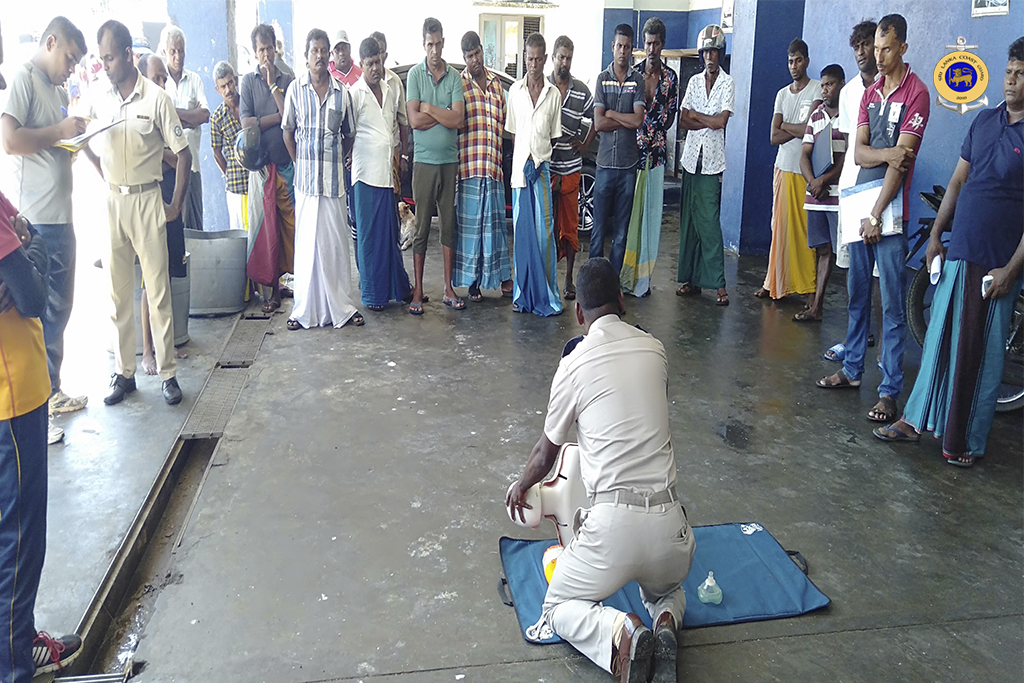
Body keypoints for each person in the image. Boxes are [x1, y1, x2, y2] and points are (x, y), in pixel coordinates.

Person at [506, 257, 694, 683]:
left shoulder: (574, 364)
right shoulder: (656, 350)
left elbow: (545, 453)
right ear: (623, 301)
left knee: (556, 608)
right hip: (669, 529)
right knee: (669, 591)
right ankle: (665, 622)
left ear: (578, 313)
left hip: (612, 529)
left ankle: (620, 634)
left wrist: (521, 485)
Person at [873, 38, 1023, 468]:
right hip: (960, 250)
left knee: (980, 354)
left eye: (1020, 73)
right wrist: (938, 235)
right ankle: (913, 420)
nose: (1011, 80)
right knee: (939, 341)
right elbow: (957, 182)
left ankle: (964, 443)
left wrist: (1012, 270)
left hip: (997, 261)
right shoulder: (983, 121)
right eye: (1009, 71)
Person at [816, 14, 930, 426]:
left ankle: (889, 392)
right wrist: (885, 155)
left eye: (886, 49)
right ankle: (851, 371)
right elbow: (862, 153)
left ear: (903, 47)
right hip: (858, 203)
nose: (879, 58)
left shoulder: (917, 94)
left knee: (894, 305)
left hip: (889, 212)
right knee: (857, 295)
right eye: (875, 49)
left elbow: (903, 166)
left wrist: (877, 214)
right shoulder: (869, 94)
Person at [83, 19, 189, 406]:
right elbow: (82, 140)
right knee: (117, 292)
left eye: (110, 57)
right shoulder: (99, 98)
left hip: (148, 200)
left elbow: (183, 155)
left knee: (157, 291)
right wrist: (103, 174)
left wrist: (174, 206)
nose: (106, 65)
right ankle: (125, 373)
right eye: (102, 59)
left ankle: (168, 374)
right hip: (113, 201)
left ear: (129, 55)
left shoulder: (156, 99)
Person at [0, 192, 84, 681]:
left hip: (16, 391)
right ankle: (14, 667)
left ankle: (21, 639)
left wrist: (28, 247)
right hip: (13, 397)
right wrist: (30, 249)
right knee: (18, 540)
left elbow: (30, 237)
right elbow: (32, 296)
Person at [0, 16, 89, 445]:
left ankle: (51, 390)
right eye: (69, 58)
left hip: (62, 214)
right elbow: (11, 141)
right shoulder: (21, 78)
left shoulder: (53, 91)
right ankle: (43, 399)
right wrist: (58, 132)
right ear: (51, 42)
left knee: (62, 307)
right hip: (35, 220)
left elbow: (48, 143)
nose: (71, 69)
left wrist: (68, 142)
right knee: (41, 310)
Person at [281, 28, 362, 331]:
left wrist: (337, 162)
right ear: (306, 57)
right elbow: (288, 133)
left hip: (332, 183)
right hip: (305, 184)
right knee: (305, 249)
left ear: (329, 56)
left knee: (335, 247)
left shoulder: (342, 92)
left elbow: (349, 135)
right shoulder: (294, 90)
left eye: (323, 50)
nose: (319, 55)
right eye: (314, 51)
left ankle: (341, 307)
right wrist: (299, 162)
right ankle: (303, 311)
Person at [824, 20, 881, 362]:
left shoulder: (897, 89)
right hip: (851, 188)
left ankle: (879, 345)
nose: (861, 53)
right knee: (853, 271)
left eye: (867, 46)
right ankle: (855, 339)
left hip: (881, 190)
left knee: (880, 276)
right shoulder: (848, 94)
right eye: (856, 47)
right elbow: (849, 146)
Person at [406, 17, 466, 315]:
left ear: (443, 42)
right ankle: (417, 290)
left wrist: (429, 108)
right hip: (424, 163)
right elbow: (414, 121)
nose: (434, 49)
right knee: (420, 227)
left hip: (449, 162)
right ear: (423, 44)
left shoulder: (454, 77)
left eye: (438, 43)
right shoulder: (415, 75)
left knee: (448, 226)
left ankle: (448, 288)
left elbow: (458, 120)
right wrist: (439, 113)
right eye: (429, 44)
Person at [349, 37, 412, 310]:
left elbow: (398, 127)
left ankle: (397, 288)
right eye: (369, 63)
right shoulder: (354, 94)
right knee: (369, 237)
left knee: (389, 235)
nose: (375, 68)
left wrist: (402, 157)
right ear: (361, 65)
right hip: (364, 176)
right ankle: (373, 296)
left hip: (387, 173)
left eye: (378, 62)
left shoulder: (390, 87)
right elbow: (347, 132)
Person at [756, 38, 821, 301]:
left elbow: (812, 130)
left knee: (806, 231)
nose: (793, 66)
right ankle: (774, 283)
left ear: (806, 61)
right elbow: (773, 136)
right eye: (790, 61)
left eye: (798, 60)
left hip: (807, 172)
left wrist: (791, 127)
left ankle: (806, 287)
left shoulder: (817, 90)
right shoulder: (782, 94)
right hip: (783, 168)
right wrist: (800, 128)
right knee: (779, 228)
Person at [137, 53, 189, 376]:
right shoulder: (139, 108)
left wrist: (175, 204)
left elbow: (180, 154)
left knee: (166, 275)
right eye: (155, 78)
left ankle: (166, 344)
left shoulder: (164, 105)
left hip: (170, 196)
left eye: (162, 79)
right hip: (147, 199)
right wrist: (166, 155)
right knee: (148, 279)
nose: (161, 83)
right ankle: (146, 349)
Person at [675, 24, 734, 307]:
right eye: (706, 52)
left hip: (711, 163)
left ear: (720, 54)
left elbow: (721, 121)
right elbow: (683, 121)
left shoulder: (728, 83)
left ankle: (719, 284)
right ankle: (691, 280)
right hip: (691, 160)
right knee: (689, 220)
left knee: (709, 222)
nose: (710, 57)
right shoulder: (694, 82)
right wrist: (703, 118)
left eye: (714, 51)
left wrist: (698, 117)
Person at [239, 23, 296, 314]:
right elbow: (246, 123)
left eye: (269, 48)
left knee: (290, 227)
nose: (265, 54)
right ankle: (271, 291)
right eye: (260, 49)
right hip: (261, 170)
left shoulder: (288, 78)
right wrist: (276, 117)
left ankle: (285, 282)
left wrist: (274, 86)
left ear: (276, 48)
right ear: (255, 51)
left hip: (287, 165)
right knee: (268, 231)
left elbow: (292, 116)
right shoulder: (247, 82)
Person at [506, 33, 563, 317]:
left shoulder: (553, 95)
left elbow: (552, 138)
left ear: (546, 59)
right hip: (520, 176)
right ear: (524, 58)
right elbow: (514, 135)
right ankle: (521, 294)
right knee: (522, 236)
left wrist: (537, 163)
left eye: (539, 59)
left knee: (544, 235)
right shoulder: (514, 92)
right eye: (530, 59)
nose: (534, 64)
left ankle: (548, 293)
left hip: (541, 173)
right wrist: (523, 164)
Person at [620, 17, 677, 298]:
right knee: (631, 218)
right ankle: (626, 277)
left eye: (656, 43)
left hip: (655, 158)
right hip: (633, 155)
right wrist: (638, 121)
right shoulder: (633, 75)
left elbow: (667, 120)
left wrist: (641, 120)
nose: (651, 48)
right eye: (647, 43)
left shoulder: (671, 79)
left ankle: (644, 280)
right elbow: (631, 113)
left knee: (652, 219)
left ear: (662, 45)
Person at [452, 30, 511, 302]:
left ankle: (498, 279)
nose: (474, 60)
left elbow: (505, 124)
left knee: (494, 229)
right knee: (471, 231)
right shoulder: (459, 85)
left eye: (477, 53)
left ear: (482, 51)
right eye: (468, 56)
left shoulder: (497, 84)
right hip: (470, 168)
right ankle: (473, 283)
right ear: (463, 58)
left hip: (493, 167)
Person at [591, 24, 645, 275]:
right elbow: (599, 123)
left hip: (627, 167)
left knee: (621, 231)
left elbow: (638, 121)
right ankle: (593, 283)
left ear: (632, 50)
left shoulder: (638, 81)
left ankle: (612, 285)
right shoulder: (602, 79)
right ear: (612, 47)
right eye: (619, 46)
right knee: (598, 229)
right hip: (603, 166)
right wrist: (620, 117)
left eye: (627, 47)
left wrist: (612, 112)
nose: (622, 51)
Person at [794, 64, 846, 322]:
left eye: (830, 84)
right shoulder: (815, 116)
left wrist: (825, 179)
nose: (825, 90)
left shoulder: (849, 115)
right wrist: (813, 181)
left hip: (839, 197)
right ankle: (816, 307)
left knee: (846, 257)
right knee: (823, 250)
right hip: (816, 197)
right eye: (823, 85)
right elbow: (804, 154)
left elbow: (848, 156)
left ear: (842, 85)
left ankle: (857, 320)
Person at [549, 35, 595, 301]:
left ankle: (568, 282)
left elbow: (595, 117)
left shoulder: (581, 90)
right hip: (547, 168)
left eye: (568, 58)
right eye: (560, 57)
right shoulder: (542, 86)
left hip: (571, 168)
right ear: (553, 57)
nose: (564, 62)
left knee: (570, 228)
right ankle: (549, 282)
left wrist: (585, 143)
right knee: (548, 228)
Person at [160, 25, 209, 232]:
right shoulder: (159, 82)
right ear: (165, 52)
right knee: (173, 225)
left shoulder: (194, 79)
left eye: (181, 50)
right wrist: (190, 118)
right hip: (170, 167)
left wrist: (172, 113)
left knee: (196, 224)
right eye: (173, 51)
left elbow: (204, 115)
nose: (178, 56)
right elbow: (159, 121)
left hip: (193, 166)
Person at [369, 31, 410, 202]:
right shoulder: (362, 86)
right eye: (375, 52)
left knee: (392, 203)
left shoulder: (395, 83)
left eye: (381, 52)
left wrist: (404, 156)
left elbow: (403, 123)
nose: (379, 56)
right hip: (370, 155)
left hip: (392, 154)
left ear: (386, 54)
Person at [210, 60, 249, 232]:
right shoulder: (217, 118)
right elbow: (216, 153)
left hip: (257, 182)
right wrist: (229, 174)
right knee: (240, 234)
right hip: (235, 188)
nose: (228, 90)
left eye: (230, 83)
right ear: (217, 90)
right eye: (223, 87)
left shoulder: (250, 105)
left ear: (236, 81)